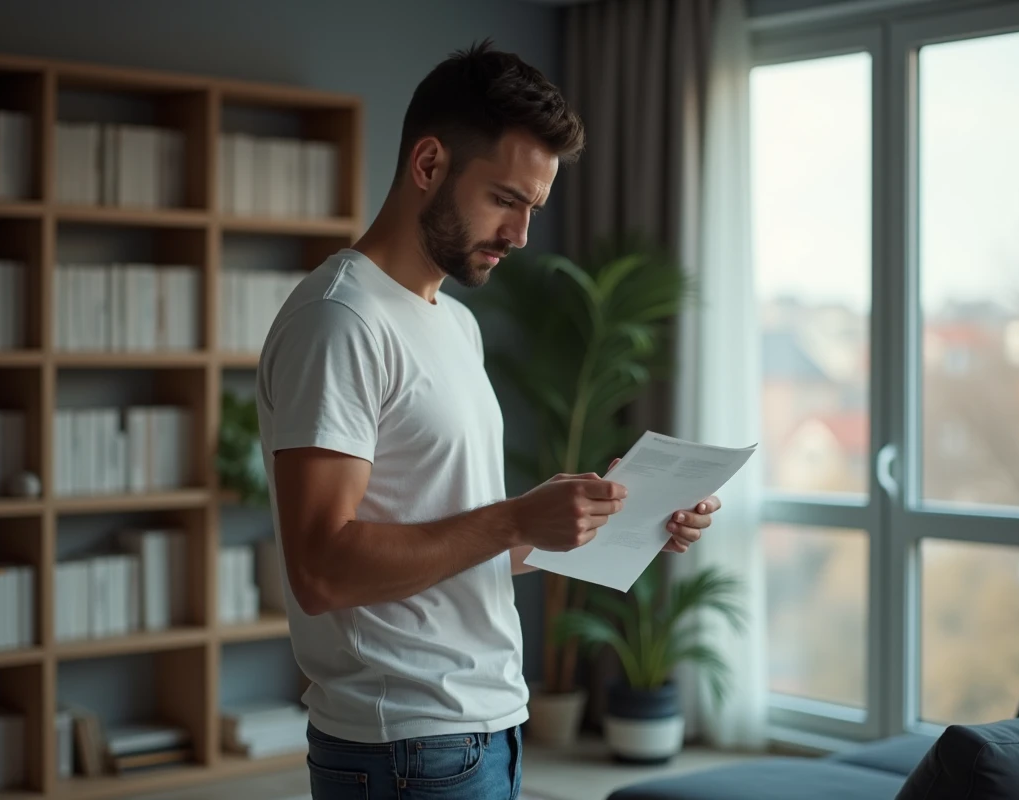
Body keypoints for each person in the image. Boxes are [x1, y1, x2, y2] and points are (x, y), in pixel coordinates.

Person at [254, 40, 721, 800]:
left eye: (533, 209)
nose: (522, 235)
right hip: (405, 745)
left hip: (482, 730)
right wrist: (513, 519)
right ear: (429, 164)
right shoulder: (340, 321)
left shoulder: (453, 325)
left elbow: (449, 547)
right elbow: (322, 570)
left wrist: (596, 520)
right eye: (505, 199)